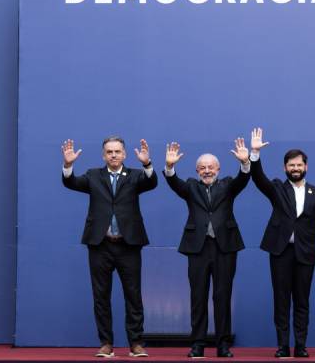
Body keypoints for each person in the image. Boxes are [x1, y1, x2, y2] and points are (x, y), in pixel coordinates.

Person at [61, 137, 157, 358]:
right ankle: (106, 343)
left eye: (117, 151)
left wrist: (147, 163)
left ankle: (136, 343)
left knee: (133, 295)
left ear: (124, 154)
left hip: (128, 245)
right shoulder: (94, 175)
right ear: (103, 155)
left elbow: (151, 182)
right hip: (100, 245)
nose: (113, 155)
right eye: (109, 152)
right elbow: (71, 182)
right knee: (101, 296)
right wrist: (68, 165)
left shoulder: (135, 176)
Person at [248, 128, 315, 358]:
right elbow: (258, 178)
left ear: (306, 167)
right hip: (280, 252)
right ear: (285, 168)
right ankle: (283, 346)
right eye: (291, 165)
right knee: (281, 300)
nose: (295, 168)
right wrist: (255, 154)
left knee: (302, 301)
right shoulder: (277, 188)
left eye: (299, 165)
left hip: (306, 254)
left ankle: (301, 346)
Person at [163, 138, 251, 358]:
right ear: (197, 171)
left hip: (225, 248)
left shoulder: (228, 185)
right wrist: (170, 167)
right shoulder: (191, 187)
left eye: (211, 167)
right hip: (198, 249)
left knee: (223, 296)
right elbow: (175, 183)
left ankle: (223, 345)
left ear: (218, 169)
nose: (207, 171)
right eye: (202, 168)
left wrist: (245, 162)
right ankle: (198, 345)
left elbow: (242, 180)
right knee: (198, 297)